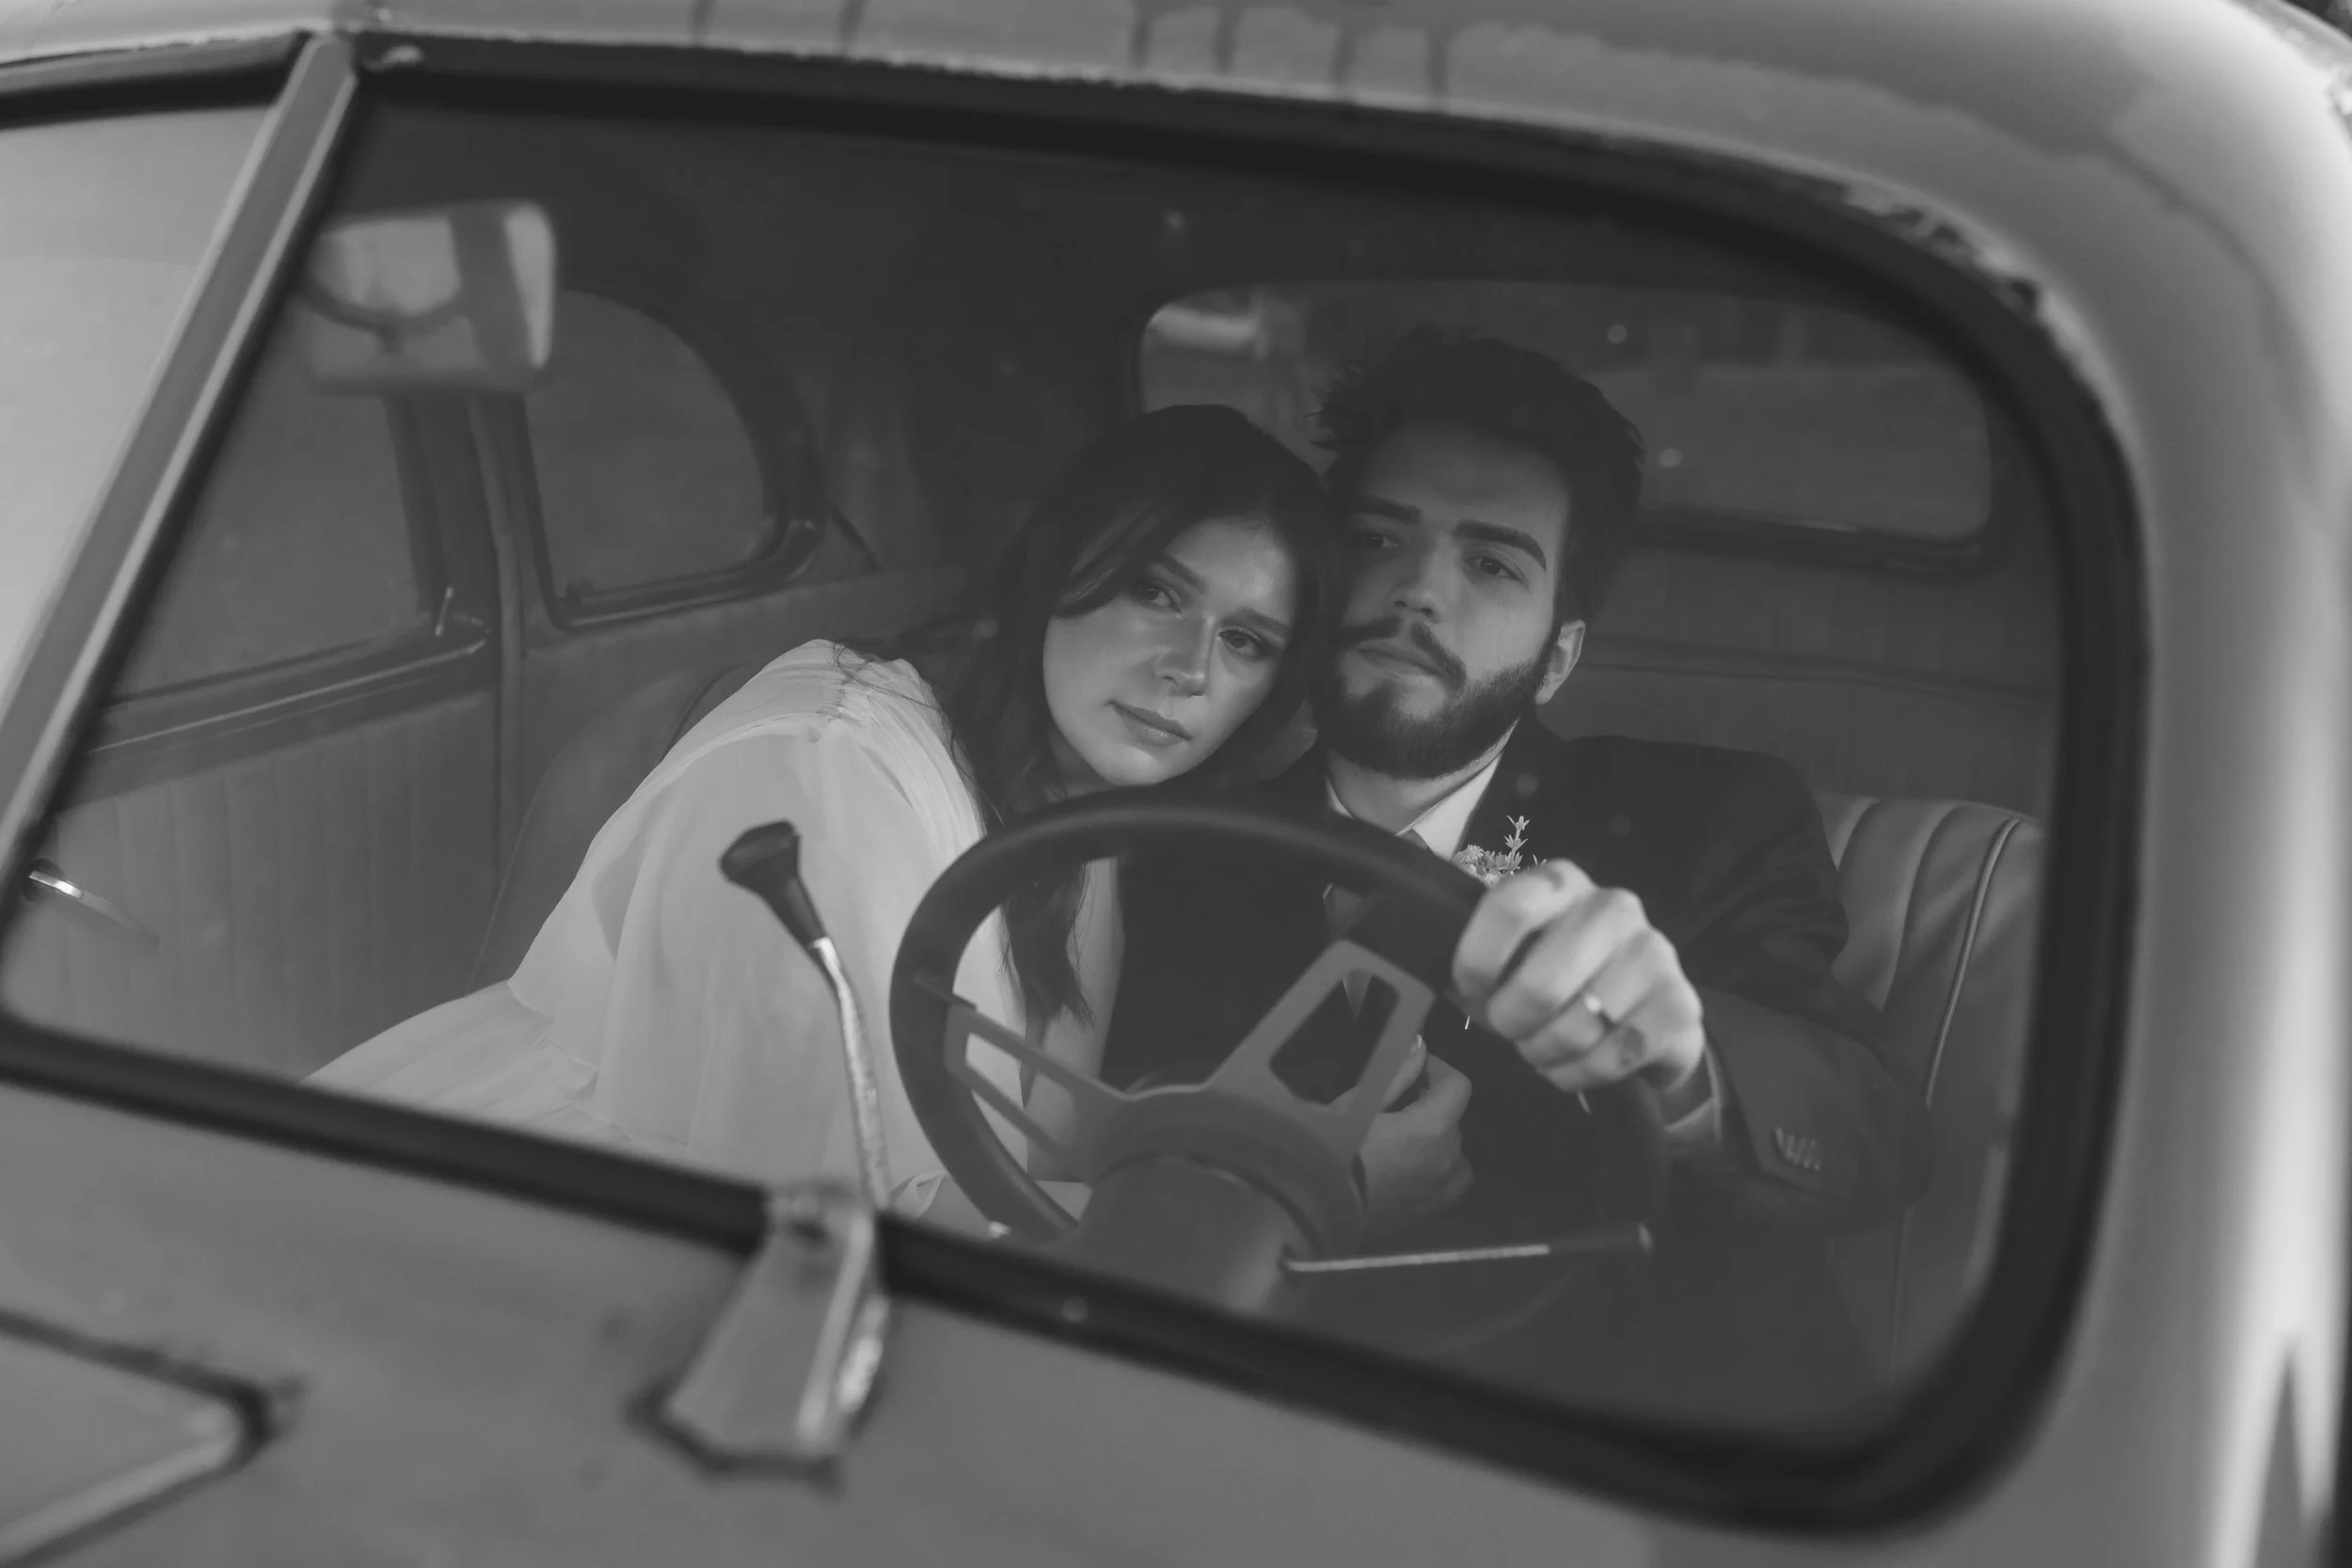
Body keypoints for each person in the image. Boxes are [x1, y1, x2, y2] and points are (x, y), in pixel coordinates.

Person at [1104, 328, 1932, 1423]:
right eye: (1377, 537)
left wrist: (1683, 1062)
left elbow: (1873, 1130)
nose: (1415, 594)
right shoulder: (1181, 843)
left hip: (1634, 1455)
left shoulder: (1708, 816)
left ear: (1557, 655)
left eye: (1491, 563)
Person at [310, 404, 1335, 1228]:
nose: (1190, 669)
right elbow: (833, 1226)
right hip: (489, 1229)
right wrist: (1263, 1190)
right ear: (1057, 565)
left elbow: (1024, 1163)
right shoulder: (827, 773)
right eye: (1158, 592)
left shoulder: (1087, 810)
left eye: (1246, 641)